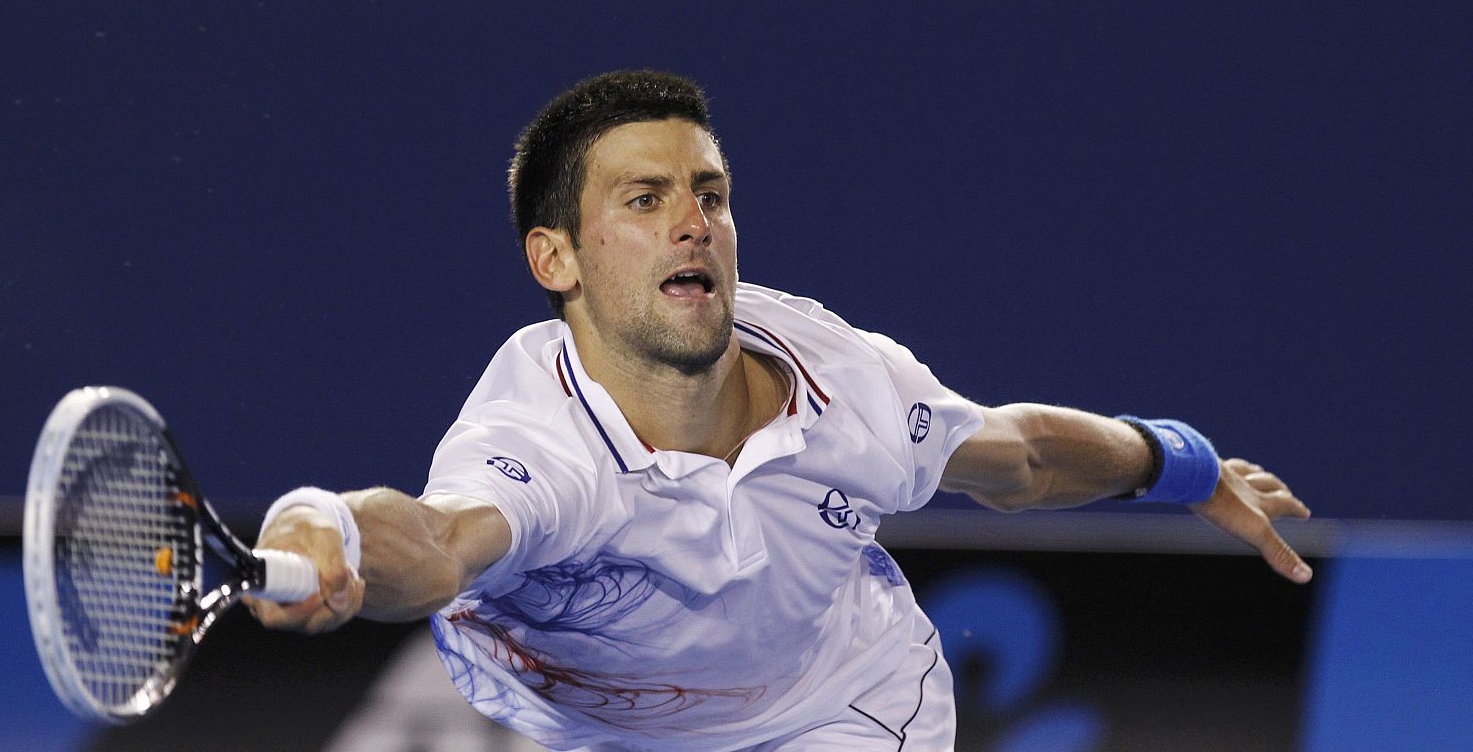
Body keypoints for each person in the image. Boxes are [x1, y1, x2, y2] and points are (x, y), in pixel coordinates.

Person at [250, 69, 1312, 751]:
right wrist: (324, 522)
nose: (692, 225)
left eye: (708, 194)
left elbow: (1020, 458)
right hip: (579, 723)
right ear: (555, 258)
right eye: (643, 199)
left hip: (838, 703)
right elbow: (436, 543)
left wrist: (1179, 463)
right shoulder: (540, 442)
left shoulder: (845, 383)